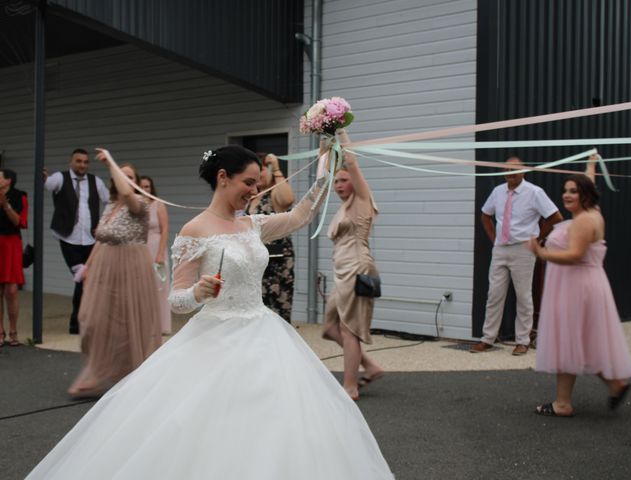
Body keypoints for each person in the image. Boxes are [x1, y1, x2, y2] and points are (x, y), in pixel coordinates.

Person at [26, 144, 394, 479]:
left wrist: (326, 164)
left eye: (256, 182)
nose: (254, 190)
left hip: (264, 334)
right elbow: (176, 300)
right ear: (223, 178)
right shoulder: (195, 229)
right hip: (214, 338)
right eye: (248, 183)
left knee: (274, 425)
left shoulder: (252, 224)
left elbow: (301, 215)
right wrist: (198, 293)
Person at [528, 162, 631, 417]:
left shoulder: (584, 221)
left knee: (571, 339)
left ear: (585, 194)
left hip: (577, 287)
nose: (566, 194)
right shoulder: (591, 212)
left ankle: (564, 403)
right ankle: (613, 385)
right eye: (565, 190)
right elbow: (589, 182)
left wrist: (541, 252)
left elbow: (575, 255)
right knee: (581, 340)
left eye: (573, 191)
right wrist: (591, 163)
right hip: (583, 284)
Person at [67, 152, 161, 398]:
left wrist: (110, 163)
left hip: (131, 268)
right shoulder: (110, 204)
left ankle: (128, 375)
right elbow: (101, 239)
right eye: (122, 175)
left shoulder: (139, 203)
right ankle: (97, 371)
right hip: (106, 267)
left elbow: (128, 193)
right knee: (91, 320)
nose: (125, 179)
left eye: (130, 176)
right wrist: (88, 266)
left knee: (129, 324)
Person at [470, 156, 563, 355]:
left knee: (523, 296)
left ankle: (523, 340)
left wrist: (538, 239)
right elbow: (485, 214)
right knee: (494, 294)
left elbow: (556, 217)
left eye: (514, 170)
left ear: (523, 171)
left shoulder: (534, 192)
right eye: (507, 170)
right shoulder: (498, 191)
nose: (510, 174)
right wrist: (493, 237)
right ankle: (488, 338)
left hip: (523, 249)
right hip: (501, 248)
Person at [321, 129, 385, 401]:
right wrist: (324, 137)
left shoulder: (361, 201)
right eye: (336, 181)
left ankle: (350, 386)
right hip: (341, 271)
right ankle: (369, 365)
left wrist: (340, 131)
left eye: (344, 180)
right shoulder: (343, 206)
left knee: (348, 329)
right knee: (329, 328)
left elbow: (352, 163)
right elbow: (326, 162)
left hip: (357, 269)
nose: (338, 184)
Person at [44, 148, 110, 334]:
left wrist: (103, 225)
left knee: (85, 281)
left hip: (90, 240)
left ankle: (79, 323)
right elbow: (47, 185)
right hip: (68, 239)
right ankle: (79, 323)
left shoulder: (95, 182)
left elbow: (110, 202)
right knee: (83, 278)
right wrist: (43, 177)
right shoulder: (60, 178)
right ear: (71, 162)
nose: (82, 165)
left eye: (85, 162)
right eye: (78, 161)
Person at [245, 153, 296, 322]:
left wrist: (276, 168)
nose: (259, 176)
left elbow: (288, 199)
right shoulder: (251, 198)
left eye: (262, 171)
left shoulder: (274, 194)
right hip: (255, 262)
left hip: (276, 265)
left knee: (275, 312)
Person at [140, 175, 172, 335]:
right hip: (140, 249)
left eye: (147, 187)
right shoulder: (136, 206)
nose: (145, 190)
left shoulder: (158, 205)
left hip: (156, 248)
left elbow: (165, 229)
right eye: (142, 186)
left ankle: (161, 325)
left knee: (159, 287)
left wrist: (160, 253)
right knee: (143, 288)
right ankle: (145, 323)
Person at [0, 169, 26, 347]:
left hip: (11, 243)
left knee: (11, 290)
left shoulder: (20, 196)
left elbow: (20, 222)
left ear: (8, 180)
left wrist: (5, 205)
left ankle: (14, 331)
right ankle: (0, 331)